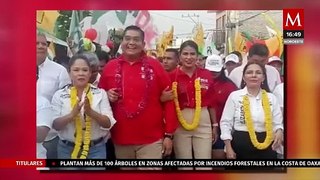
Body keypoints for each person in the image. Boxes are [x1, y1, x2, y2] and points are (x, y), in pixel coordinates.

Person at [98, 25, 177, 170]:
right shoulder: (110, 67)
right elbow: (98, 100)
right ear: (121, 42)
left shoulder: (155, 66)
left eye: (136, 39)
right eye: (127, 39)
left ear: (143, 44)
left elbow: (170, 100)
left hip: (151, 139)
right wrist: (107, 96)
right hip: (121, 138)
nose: (131, 43)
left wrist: (169, 135)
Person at [51, 54, 116, 160]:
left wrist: (91, 112)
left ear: (90, 73)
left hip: (96, 150)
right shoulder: (59, 95)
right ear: (69, 73)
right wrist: (72, 115)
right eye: (76, 70)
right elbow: (55, 125)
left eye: (85, 70)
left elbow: (108, 123)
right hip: (67, 150)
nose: (81, 73)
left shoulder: (100, 93)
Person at [220, 62, 283, 163]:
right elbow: (225, 123)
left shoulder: (271, 98)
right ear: (244, 78)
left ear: (263, 78)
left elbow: (277, 123)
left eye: (258, 72)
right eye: (249, 72)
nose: (254, 75)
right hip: (240, 145)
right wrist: (228, 147)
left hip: (267, 145)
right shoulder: (235, 96)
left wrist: (279, 131)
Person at [169, 40, 217, 170]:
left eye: (192, 54)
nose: (189, 57)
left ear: (197, 56)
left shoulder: (205, 74)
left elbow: (212, 102)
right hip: (180, 120)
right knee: (184, 166)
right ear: (179, 56)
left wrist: (215, 125)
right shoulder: (172, 76)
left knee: (204, 165)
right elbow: (168, 103)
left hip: (203, 118)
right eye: (185, 54)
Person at [37, 32, 71, 159]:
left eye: (44, 44)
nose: (41, 46)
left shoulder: (59, 71)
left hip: (50, 137)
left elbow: (66, 101)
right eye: (36, 43)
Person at [204, 55, 238, 160]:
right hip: (200, 127)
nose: (213, 73)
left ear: (222, 68)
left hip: (221, 129)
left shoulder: (230, 86)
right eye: (210, 70)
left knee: (218, 157)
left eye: (216, 71)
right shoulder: (200, 82)